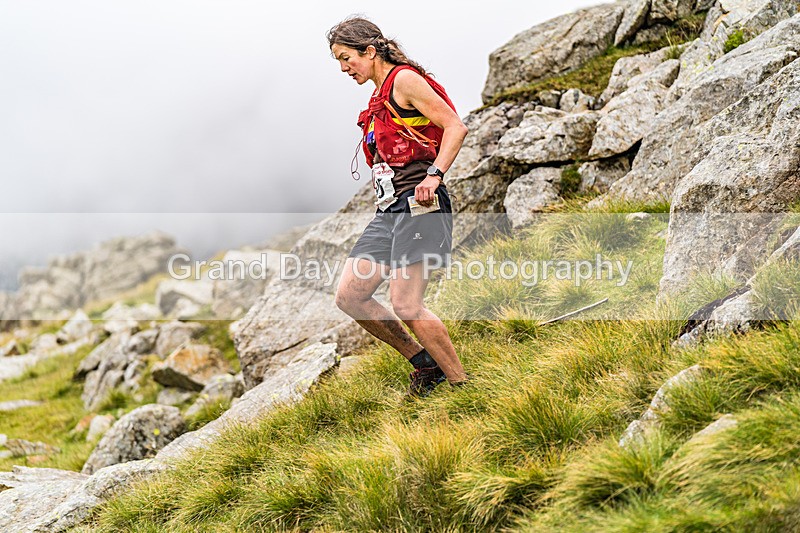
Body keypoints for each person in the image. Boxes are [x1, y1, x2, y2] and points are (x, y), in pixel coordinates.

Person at [327, 16, 470, 397]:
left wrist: (435, 176)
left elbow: (455, 127)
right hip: (389, 209)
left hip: (421, 203)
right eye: (338, 61)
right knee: (350, 296)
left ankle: (461, 385)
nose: (344, 68)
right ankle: (424, 363)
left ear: (369, 51)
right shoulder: (378, 95)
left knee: (406, 302)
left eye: (347, 58)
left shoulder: (404, 81)